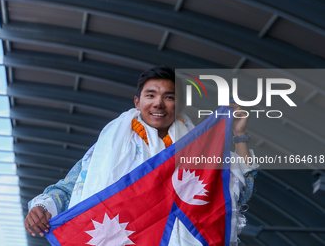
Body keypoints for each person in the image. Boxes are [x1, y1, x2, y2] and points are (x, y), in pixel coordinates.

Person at [24, 65, 258, 245]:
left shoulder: (197, 150)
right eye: (150, 95)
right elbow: (69, 187)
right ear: (137, 102)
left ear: (180, 106)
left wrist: (238, 134)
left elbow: (238, 194)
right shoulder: (109, 146)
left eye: (169, 96)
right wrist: (42, 208)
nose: (159, 103)